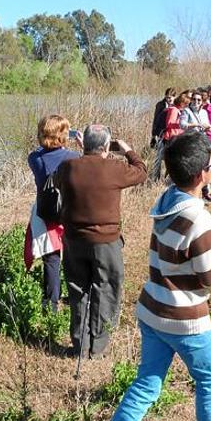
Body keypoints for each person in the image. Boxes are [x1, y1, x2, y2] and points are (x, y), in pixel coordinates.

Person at [105, 130, 211, 421]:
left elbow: (184, 248)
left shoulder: (168, 201)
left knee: (147, 382)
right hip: (184, 321)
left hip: (152, 312)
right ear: (204, 174)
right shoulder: (198, 217)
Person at [55, 125, 147, 358]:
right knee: (107, 290)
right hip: (106, 242)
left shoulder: (67, 166)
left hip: (74, 240)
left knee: (78, 291)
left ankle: (80, 346)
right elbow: (141, 171)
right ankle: (98, 347)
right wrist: (127, 150)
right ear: (107, 146)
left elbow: (59, 181)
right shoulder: (114, 167)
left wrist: (82, 154)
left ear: (82, 144)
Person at [26, 115, 82, 311]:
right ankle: (77, 296)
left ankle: (51, 303)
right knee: (75, 256)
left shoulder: (34, 158)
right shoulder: (74, 158)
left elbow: (41, 154)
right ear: (62, 136)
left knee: (51, 259)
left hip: (46, 215)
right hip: (69, 214)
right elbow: (89, 164)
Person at [150, 88, 177, 181]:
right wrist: (154, 134)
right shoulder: (160, 105)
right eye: (167, 97)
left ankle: (168, 177)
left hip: (171, 135)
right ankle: (155, 178)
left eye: (170, 98)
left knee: (170, 157)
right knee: (158, 157)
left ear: (175, 97)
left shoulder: (176, 107)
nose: (169, 99)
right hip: (160, 133)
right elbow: (156, 120)